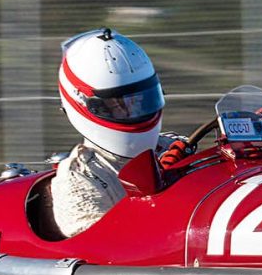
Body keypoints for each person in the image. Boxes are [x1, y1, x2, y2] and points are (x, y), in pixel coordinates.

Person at [51, 28, 189, 237]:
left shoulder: (174, 147)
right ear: (86, 106)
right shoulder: (80, 178)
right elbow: (104, 248)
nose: (131, 108)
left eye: (140, 99)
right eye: (117, 103)